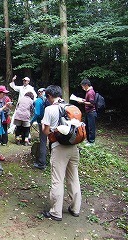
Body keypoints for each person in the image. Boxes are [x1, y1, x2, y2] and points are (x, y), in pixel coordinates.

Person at [41, 85, 81, 221]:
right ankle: (75, 208)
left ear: (49, 96)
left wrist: (44, 126)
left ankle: (55, 212)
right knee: (73, 177)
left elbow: (46, 131)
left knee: (57, 179)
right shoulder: (71, 107)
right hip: (74, 146)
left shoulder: (49, 109)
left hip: (59, 148)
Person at [30, 88, 48, 169]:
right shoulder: (49, 100)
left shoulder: (38, 101)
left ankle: (42, 163)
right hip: (52, 122)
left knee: (43, 142)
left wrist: (31, 121)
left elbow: (37, 113)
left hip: (42, 123)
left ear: (39, 93)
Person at [80, 79, 97, 145]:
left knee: (91, 127)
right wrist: (83, 100)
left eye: (83, 86)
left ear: (86, 85)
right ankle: (88, 140)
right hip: (88, 112)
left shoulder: (90, 92)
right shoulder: (88, 91)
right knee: (87, 126)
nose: (82, 88)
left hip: (91, 112)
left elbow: (92, 103)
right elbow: (88, 100)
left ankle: (92, 141)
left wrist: (83, 102)